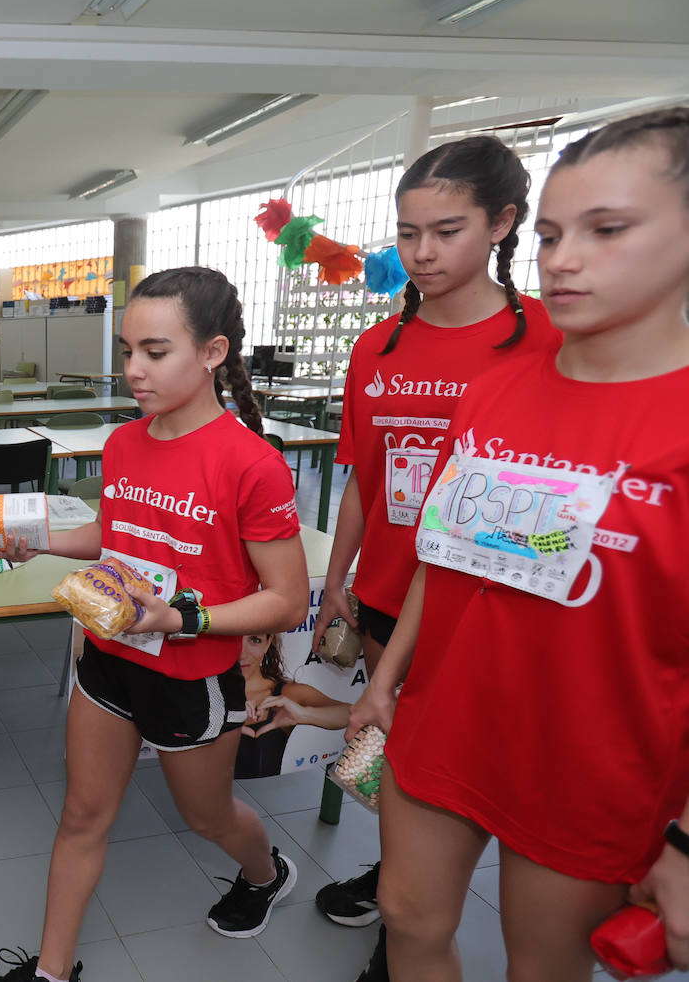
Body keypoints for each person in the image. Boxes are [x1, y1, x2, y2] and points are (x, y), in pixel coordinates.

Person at [349, 106, 689, 982]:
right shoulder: (498, 391)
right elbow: (446, 551)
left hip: (592, 755)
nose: (565, 258)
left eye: (607, 230)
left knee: (541, 966)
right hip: (446, 715)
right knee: (406, 919)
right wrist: (385, 682)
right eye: (551, 234)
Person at [0, 266, 310, 982]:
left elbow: (287, 601)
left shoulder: (252, 466)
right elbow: (114, 534)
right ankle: (52, 973)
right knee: (80, 817)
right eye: (127, 350)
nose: (133, 369)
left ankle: (265, 872)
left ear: (214, 352)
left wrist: (183, 616)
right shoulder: (127, 443)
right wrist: (37, 537)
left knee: (208, 818)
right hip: (107, 660)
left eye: (154, 352)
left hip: (191, 677)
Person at [308, 135, 561, 977]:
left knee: (486, 767)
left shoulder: (548, 340)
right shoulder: (376, 348)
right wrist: (338, 577)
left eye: (446, 231)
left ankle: (422, 901)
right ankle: (401, 899)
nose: (422, 253)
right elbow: (361, 481)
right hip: (390, 592)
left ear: (502, 224)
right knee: (394, 750)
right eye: (408, 233)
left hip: (500, 604)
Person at [236, 632, 349, 780]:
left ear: (268, 643)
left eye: (255, 640)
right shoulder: (201, 692)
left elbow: (352, 714)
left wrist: (303, 715)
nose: (242, 653)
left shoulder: (286, 694)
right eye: (234, 639)